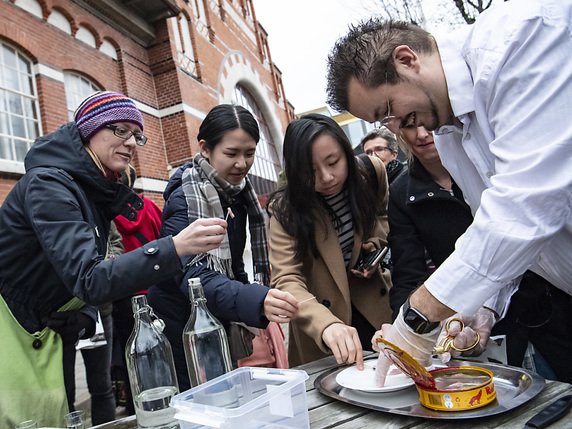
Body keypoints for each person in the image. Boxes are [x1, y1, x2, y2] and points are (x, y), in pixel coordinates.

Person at [326, 0, 572, 384]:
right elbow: (503, 234)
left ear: (407, 60)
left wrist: (418, 314)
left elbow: (526, 207)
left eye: (388, 110)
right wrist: (480, 307)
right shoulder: (450, 134)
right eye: (382, 121)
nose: (394, 128)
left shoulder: (520, 38)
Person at [0, 91, 226, 427]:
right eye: (119, 129)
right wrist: (175, 247)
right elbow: (89, 276)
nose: (131, 141)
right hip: (13, 330)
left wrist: (82, 313)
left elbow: (79, 266)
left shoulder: (93, 188)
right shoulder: (50, 185)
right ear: (90, 131)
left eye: (136, 134)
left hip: (45, 330)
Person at [388, 125, 572, 382]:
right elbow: (408, 270)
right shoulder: (402, 192)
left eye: (428, 123)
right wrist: (409, 326)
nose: (421, 133)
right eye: (408, 124)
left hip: (547, 303)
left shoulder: (491, 162)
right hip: (471, 317)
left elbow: (512, 233)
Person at [147, 104, 299, 391]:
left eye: (250, 153)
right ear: (205, 148)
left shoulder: (238, 196)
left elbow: (234, 267)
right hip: (180, 326)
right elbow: (193, 276)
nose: (242, 163)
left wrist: (249, 294)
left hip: (213, 319)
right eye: (231, 153)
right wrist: (254, 299)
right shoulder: (185, 199)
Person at [267, 113, 392, 368]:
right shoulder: (285, 210)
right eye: (310, 171)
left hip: (377, 312)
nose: (326, 177)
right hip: (324, 327)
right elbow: (286, 278)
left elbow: (382, 215)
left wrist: (375, 245)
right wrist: (325, 324)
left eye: (333, 162)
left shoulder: (371, 172)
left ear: (346, 151)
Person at [112, 164, 163, 415]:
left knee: (130, 353)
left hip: (124, 294)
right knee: (160, 350)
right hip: (153, 291)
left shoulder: (107, 215)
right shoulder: (149, 207)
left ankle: (137, 408)